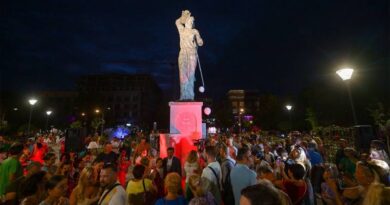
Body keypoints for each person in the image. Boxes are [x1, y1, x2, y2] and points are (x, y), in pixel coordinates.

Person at [175, 10, 204, 100]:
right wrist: (184, 15)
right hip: (183, 53)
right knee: (183, 75)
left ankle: (190, 96)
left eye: (192, 22)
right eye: (189, 21)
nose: (191, 23)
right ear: (186, 21)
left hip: (192, 54)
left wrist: (198, 39)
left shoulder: (194, 31)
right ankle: (183, 96)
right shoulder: (182, 30)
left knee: (190, 75)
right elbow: (177, 22)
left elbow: (200, 43)